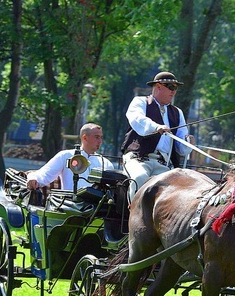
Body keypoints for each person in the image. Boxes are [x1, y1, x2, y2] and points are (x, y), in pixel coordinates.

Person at [121, 71, 194, 201]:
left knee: (175, 189)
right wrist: (156, 127)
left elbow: (182, 149)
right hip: (139, 159)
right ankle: (133, 215)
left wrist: (188, 142)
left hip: (163, 164)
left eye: (175, 88)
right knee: (140, 178)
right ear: (158, 87)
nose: (174, 92)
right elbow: (137, 119)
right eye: (171, 87)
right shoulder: (140, 102)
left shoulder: (177, 113)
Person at [27, 123, 114, 191]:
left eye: (101, 137)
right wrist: (33, 178)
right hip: (70, 207)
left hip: (97, 209)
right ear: (85, 137)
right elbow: (45, 174)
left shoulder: (105, 163)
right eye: (96, 137)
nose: (100, 141)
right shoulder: (66, 156)